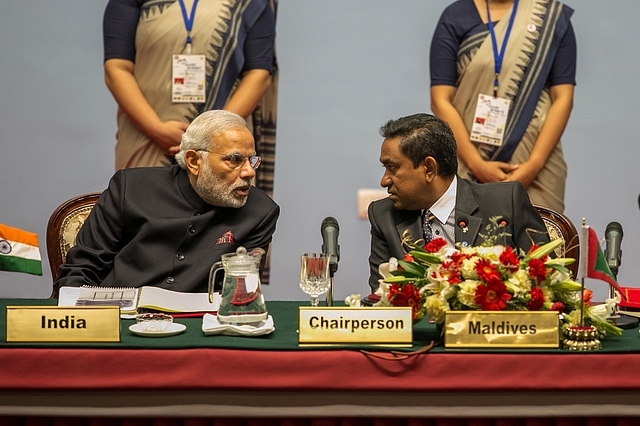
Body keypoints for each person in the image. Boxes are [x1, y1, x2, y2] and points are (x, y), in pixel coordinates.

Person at [53, 110, 280, 296]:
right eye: (235, 160)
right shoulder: (130, 188)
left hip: (197, 330)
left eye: (251, 160)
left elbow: (239, 294)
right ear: (193, 161)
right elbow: (81, 271)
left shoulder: (260, 212)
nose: (249, 172)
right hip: (119, 319)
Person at [103, 0, 278, 196]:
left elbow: (259, 75)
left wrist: (213, 135)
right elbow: (116, 68)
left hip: (223, 145)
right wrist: (156, 128)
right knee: (142, 208)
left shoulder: (251, 3)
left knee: (223, 220)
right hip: (146, 136)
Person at [367, 113, 549, 292]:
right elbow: (381, 301)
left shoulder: (505, 202)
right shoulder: (384, 216)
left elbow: (547, 279)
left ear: (429, 168)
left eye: (392, 168)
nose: (384, 181)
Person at [430, 0, 576, 212]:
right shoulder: (456, 16)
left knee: (539, 241)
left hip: (537, 166)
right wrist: (477, 165)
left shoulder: (549, 16)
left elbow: (563, 98)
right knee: (466, 241)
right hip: (467, 162)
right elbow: (440, 100)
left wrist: (533, 166)